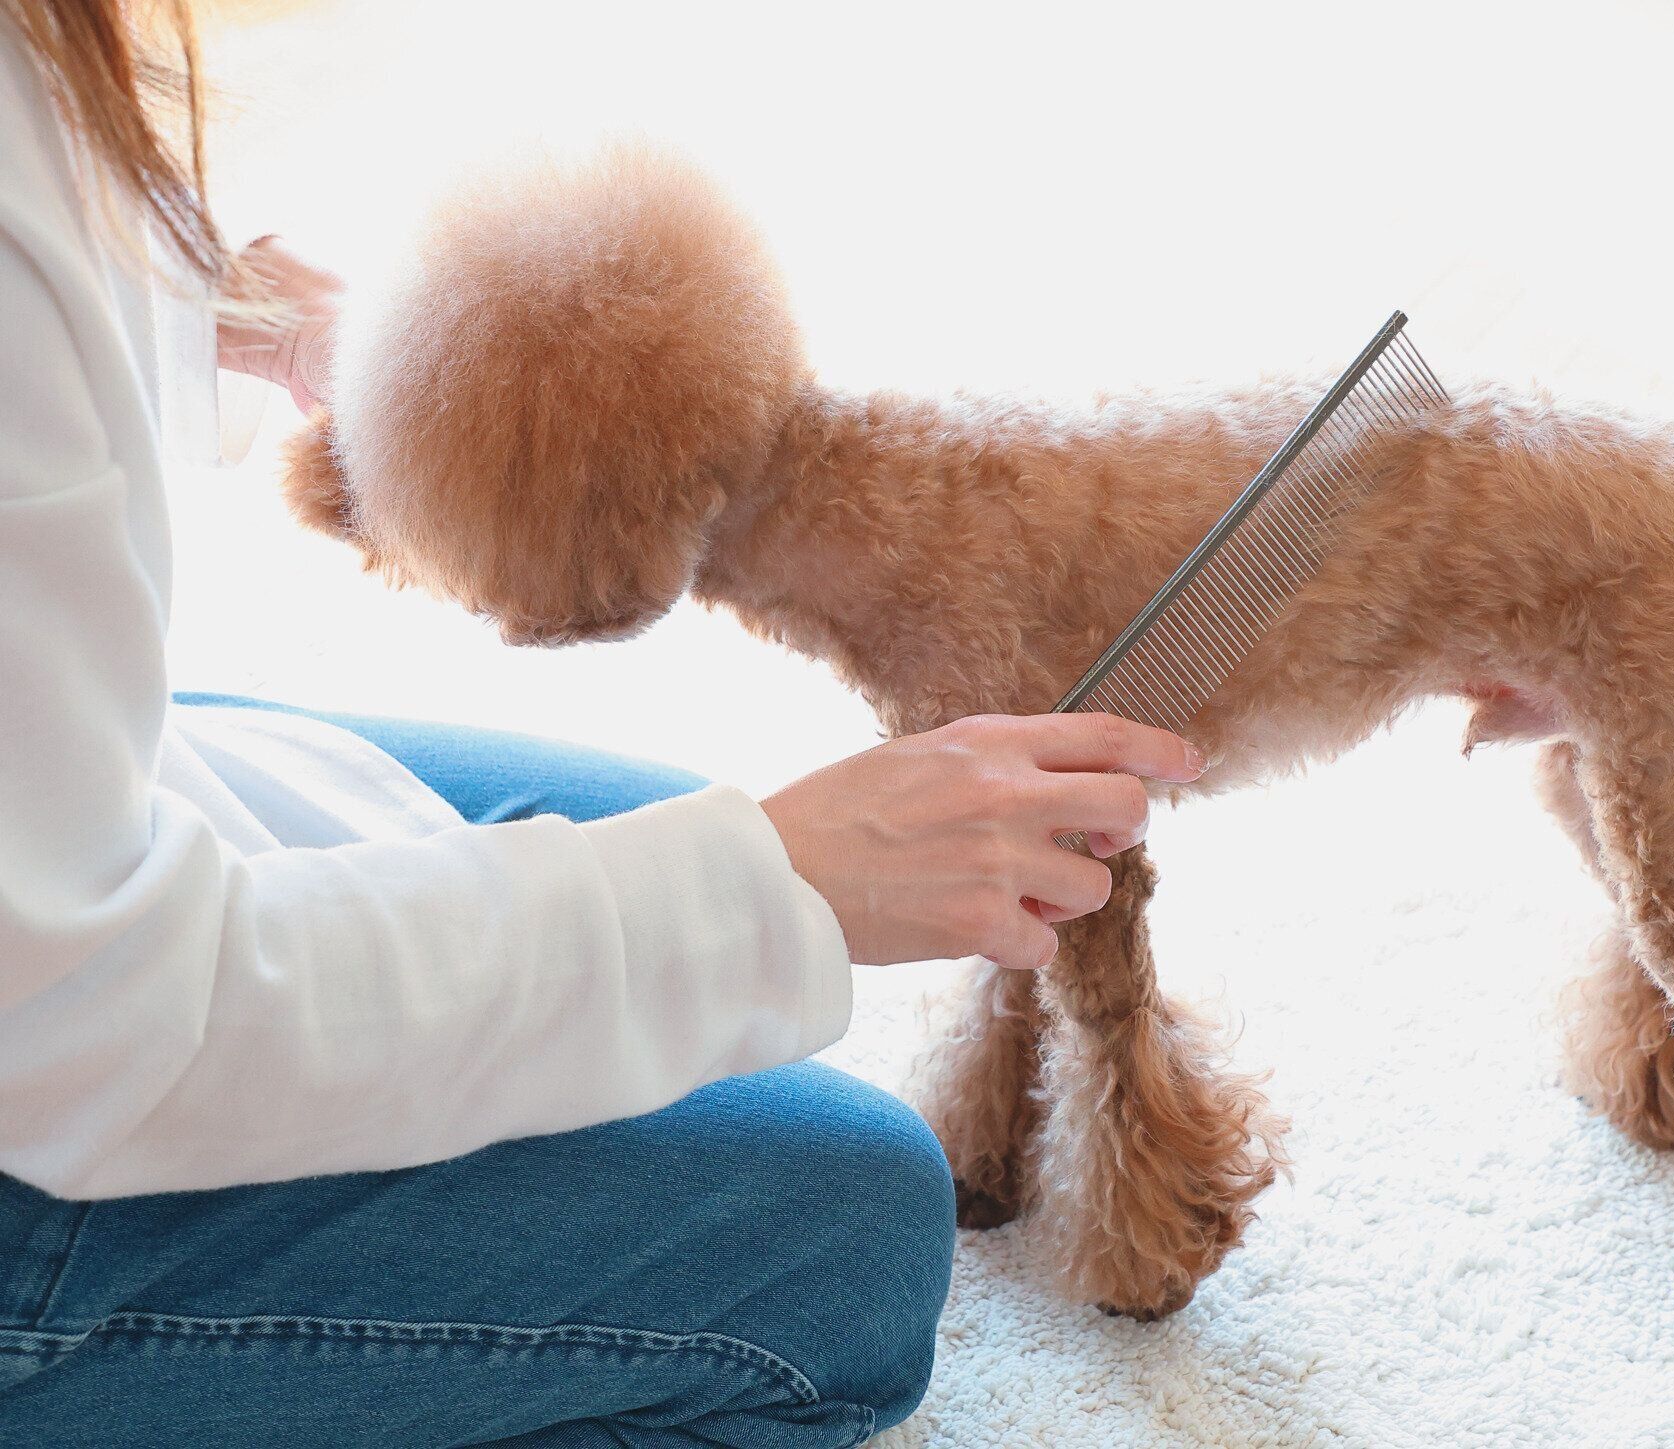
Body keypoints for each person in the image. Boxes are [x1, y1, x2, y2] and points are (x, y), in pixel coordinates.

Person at [0, 3, 1203, 1444]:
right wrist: (784, 878)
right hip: (63, 1080)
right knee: (849, 1237)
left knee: (671, 858)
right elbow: (103, 1024)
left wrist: (218, 292)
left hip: (70, 853)